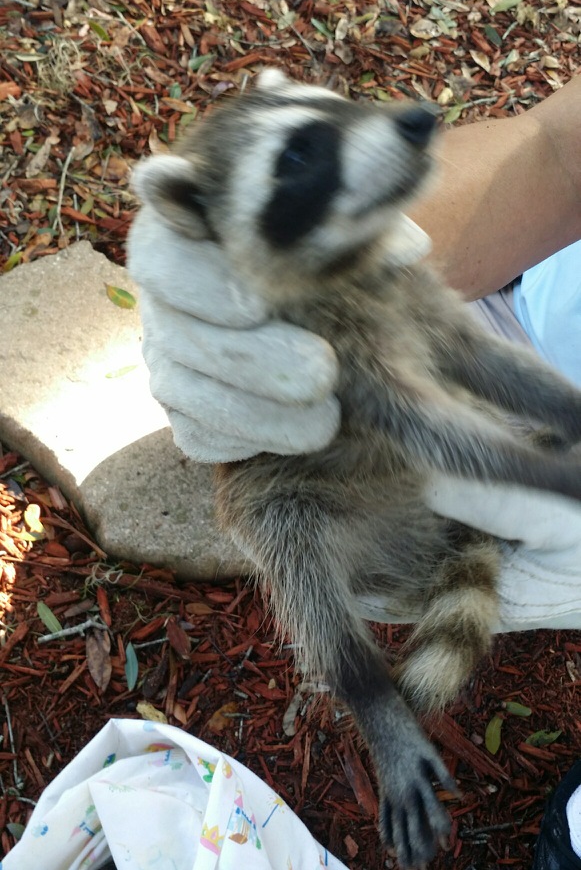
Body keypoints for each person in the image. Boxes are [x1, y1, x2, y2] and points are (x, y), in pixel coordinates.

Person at [126, 71, 581, 868]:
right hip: (366, 485)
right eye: (305, 146)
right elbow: (556, 150)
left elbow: (442, 419)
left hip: (476, 462)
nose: (401, 120)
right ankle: (387, 723)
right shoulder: (360, 269)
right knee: (288, 538)